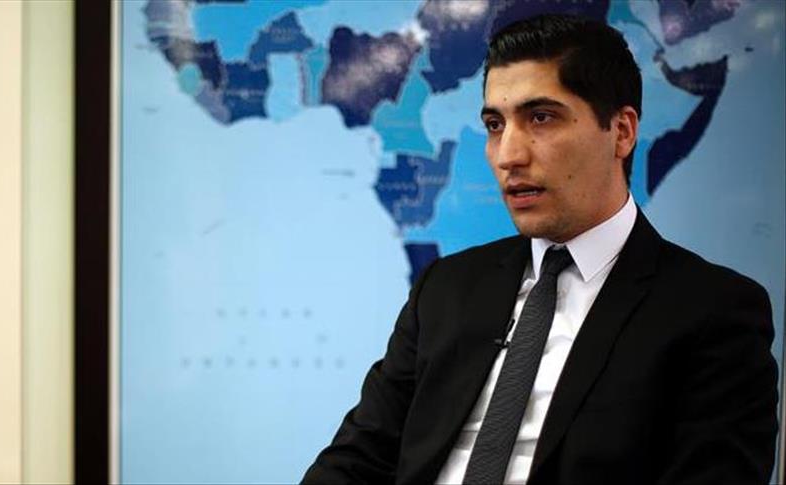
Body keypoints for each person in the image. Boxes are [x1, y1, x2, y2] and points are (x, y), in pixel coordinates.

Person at [302, 14, 778, 485]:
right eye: (495, 125)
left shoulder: (713, 312)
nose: (509, 155)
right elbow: (356, 461)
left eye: (541, 118)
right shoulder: (445, 288)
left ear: (622, 132)